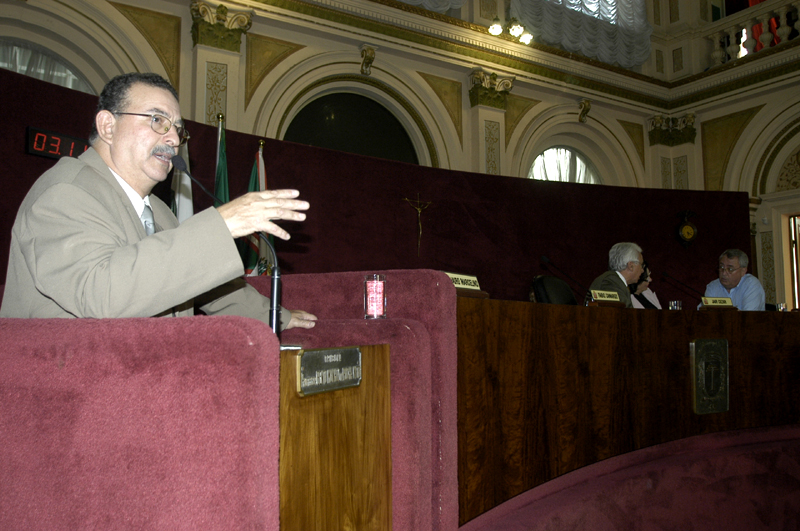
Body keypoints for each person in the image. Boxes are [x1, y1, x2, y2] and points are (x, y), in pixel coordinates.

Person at [1, 72, 317, 330]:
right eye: (157, 121)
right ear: (108, 126)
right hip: (70, 395)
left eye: (178, 130)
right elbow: (102, 294)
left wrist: (277, 317)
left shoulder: (160, 212)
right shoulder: (66, 192)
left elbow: (210, 290)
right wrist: (219, 225)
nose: (173, 139)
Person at [588, 242, 644, 308]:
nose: (642, 270)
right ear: (631, 266)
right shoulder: (610, 282)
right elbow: (626, 313)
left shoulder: (615, 282)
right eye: (641, 265)